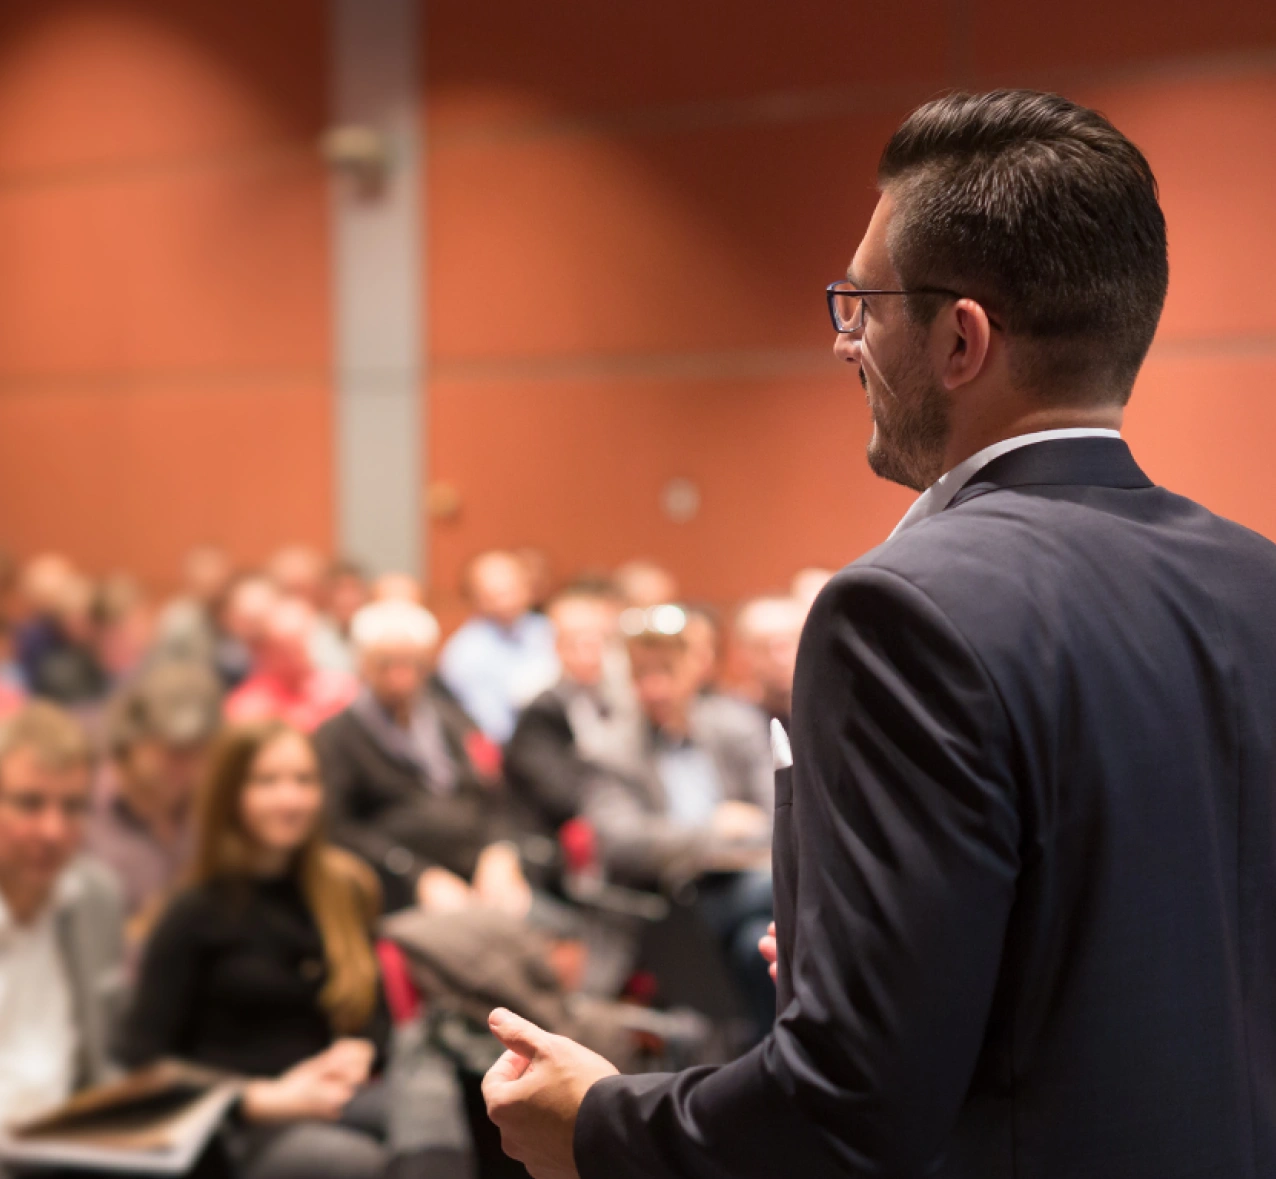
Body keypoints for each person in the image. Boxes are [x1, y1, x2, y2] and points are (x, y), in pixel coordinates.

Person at [482, 90, 1276, 1179]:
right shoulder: (1256, 580)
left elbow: (852, 1107)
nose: (846, 340)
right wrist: (866, 965)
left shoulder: (902, 610)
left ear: (959, 339)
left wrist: (596, 1122)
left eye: (861, 302)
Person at [120, 721, 390, 1179]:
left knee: (456, 1112)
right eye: (267, 782)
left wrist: (359, 1050)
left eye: (304, 781)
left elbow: (378, 1018)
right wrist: (260, 1098)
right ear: (231, 795)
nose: (291, 799)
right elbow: (144, 1063)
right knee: (359, 1164)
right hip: (240, 1123)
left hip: (333, 1095)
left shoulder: (342, 889)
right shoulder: (193, 913)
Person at [582, 607, 775, 1038]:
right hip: (667, 902)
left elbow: (781, 812)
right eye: (642, 674)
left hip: (743, 884)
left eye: (667, 671)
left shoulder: (735, 725)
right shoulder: (609, 747)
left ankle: (766, 1065)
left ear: (696, 668)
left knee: (754, 945)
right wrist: (714, 832)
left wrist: (741, 836)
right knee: (780, 890)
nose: (655, 687)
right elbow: (621, 841)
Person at [315, 600, 526, 914]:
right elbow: (340, 829)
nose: (401, 675)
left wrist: (500, 852)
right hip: (396, 886)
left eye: (412, 662)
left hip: (477, 871)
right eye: (386, 663)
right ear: (362, 663)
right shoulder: (337, 736)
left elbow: (495, 796)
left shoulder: (453, 718)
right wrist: (415, 875)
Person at [0, 702, 124, 1128]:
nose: (52, 831)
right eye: (30, 804)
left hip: (73, 1142)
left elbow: (104, 1060)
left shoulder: (96, 898)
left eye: (73, 807)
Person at [87, 659, 223, 938]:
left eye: (200, 750)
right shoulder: (80, 811)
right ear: (129, 739)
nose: (187, 764)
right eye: (173, 749)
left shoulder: (210, 808)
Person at [504, 587, 635, 838]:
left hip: (617, 817)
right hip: (557, 834)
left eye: (598, 643)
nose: (589, 654)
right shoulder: (540, 710)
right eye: (576, 645)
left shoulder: (619, 698)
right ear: (557, 648)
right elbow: (558, 794)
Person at [437, 551, 557, 744]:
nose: (505, 602)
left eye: (510, 591)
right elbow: (491, 729)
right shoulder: (464, 653)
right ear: (475, 599)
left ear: (527, 588)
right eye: (492, 595)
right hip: (512, 752)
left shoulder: (549, 630)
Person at [225, 597, 357, 734]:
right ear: (263, 650)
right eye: (284, 648)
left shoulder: (339, 685)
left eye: (298, 644)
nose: (295, 655)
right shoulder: (248, 705)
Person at [730, 595, 805, 728]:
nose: (779, 660)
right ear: (745, 654)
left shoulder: (823, 713)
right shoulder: (730, 720)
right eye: (764, 649)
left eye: (785, 646)